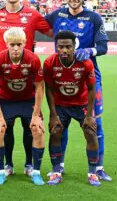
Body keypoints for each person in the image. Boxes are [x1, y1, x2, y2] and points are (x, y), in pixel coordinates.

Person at [0, 0, 51, 177]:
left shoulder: (32, 14)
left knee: (29, 126)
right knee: (6, 126)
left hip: (27, 77)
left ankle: (30, 165)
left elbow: (51, 30)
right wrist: (0, 48)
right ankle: (8, 165)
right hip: (4, 77)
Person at [45, 0, 111, 181]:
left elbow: (103, 47)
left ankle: (98, 168)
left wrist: (89, 51)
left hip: (89, 77)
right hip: (61, 76)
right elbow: (36, 25)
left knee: (94, 124)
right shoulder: (56, 15)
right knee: (59, 123)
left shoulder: (94, 17)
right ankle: (60, 166)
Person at [43, 31, 101, 186]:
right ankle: (56, 171)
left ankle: (93, 173)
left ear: (74, 46)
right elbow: (48, 88)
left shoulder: (85, 63)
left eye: (68, 46)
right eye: (60, 47)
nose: (64, 50)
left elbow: (91, 89)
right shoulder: (49, 63)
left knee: (90, 132)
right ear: (56, 47)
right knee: (55, 132)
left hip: (81, 105)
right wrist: (53, 114)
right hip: (61, 105)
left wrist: (89, 115)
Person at [0, 27, 45, 186]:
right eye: (12, 44)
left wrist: (36, 114)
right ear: (6, 44)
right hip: (6, 100)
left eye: (19, 44)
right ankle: (4, 170)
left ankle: (33, 169)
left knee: (37, 129)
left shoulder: (33, 59)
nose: (15, 48)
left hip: (28, 100)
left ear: (25, 43)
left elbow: (40, 87)